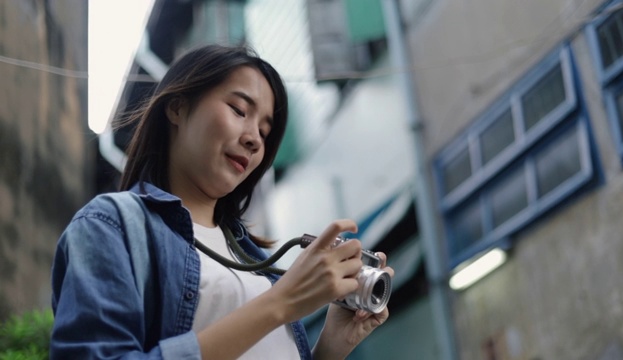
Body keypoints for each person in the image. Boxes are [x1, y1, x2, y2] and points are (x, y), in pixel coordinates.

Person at [50, 44, 394, 360]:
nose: (254, 140)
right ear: (177, 107)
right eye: (239, 109)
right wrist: (282, 302)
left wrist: (333, 346)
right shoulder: (111, 225)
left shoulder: (253, 258)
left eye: (264, 130)